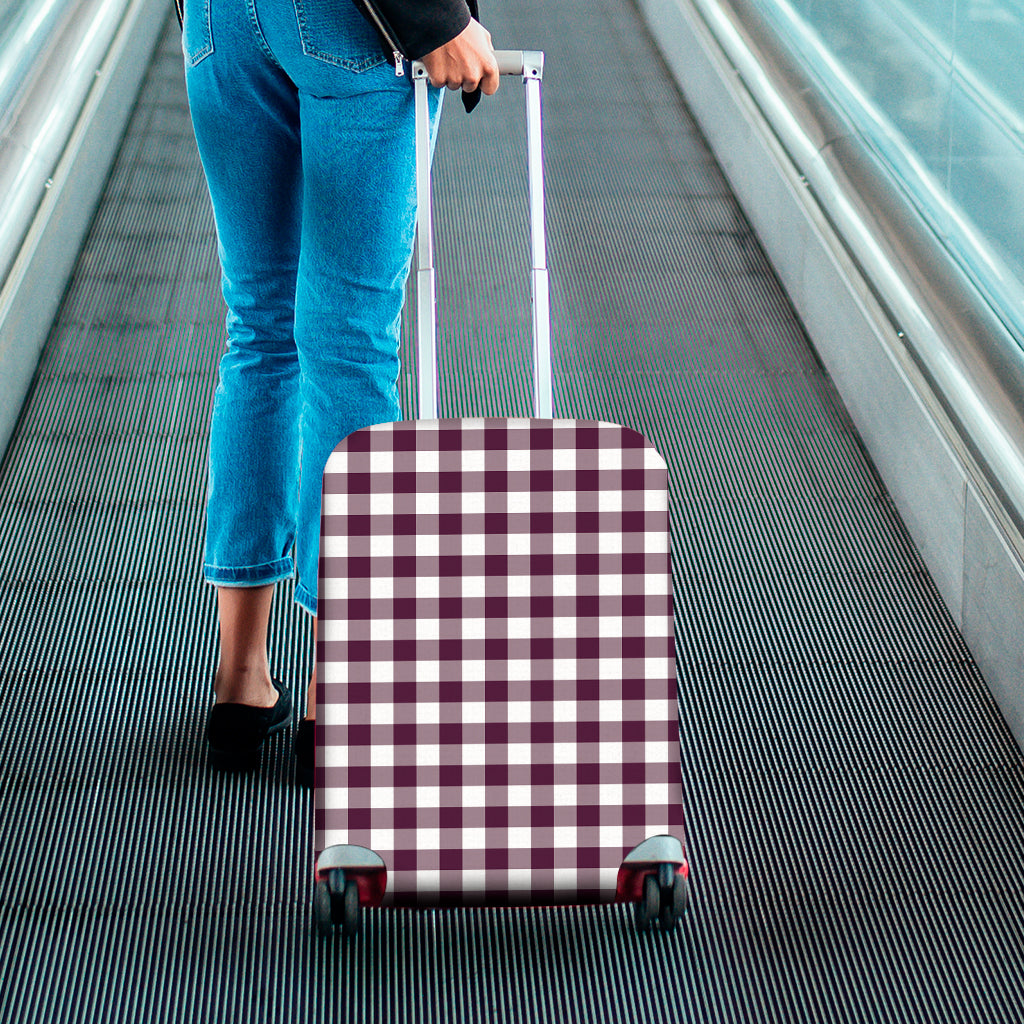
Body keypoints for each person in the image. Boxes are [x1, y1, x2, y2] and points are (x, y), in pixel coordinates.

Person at [182, 0, 499, 781]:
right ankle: (339, 695)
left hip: (221, 24)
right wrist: (433, 18)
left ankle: (241, 680)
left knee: (258, 332)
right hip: (352, 28)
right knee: (348, 347)